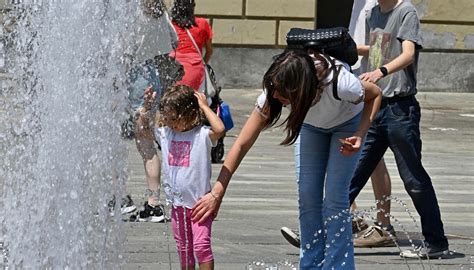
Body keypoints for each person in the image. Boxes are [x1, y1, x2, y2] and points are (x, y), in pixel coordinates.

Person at [192, 49, 382, 269]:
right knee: (308, 197)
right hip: (311, 127)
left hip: (347, 125)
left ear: (300, 90)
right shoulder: (273, 91)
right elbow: (242, 143)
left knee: (335, 198)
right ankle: (311, 264)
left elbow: (375, 94)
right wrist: (218, 191)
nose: (274, 96)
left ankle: (339, 266)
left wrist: (360, 133)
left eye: (281, 93)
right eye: (273, 90)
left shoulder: (341, 83)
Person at [349, 0, 449, 258]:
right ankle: (316, 231)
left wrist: (380, 72)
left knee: (414, 179)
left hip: (401, 110)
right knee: (352, 174)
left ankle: (436, 242)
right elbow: (378, 50)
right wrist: (343, 49)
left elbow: (407, 54)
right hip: (377, 106)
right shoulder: (373, 13)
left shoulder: (406, 12)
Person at [140, 85, 224, 270]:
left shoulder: (201, 135)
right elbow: (142, 130)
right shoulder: (166, 134)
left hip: (200, 205)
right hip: (177, 207)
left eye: (173, 117)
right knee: (184, 249)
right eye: (166, 118)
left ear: (190, 113)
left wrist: (205, 106)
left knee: (201, 247)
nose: (169, 122)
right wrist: (146, 107)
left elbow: (220, 128)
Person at [123, 0, 179, 222]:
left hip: (132, 76)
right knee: (146, 141)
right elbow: (174, 41)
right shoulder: (159, 13)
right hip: (151, 74)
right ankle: (153, 203)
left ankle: (117, 200)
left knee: (113, 139)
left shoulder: (131, 12)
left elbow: (121, 47)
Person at [170, 0, 213, 91]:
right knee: (194, 99)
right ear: (192, 7)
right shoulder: (202, 23)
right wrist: (203, 63)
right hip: (195, 68)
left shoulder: (170, 25)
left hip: (173, 69)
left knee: (172, 99)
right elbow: (209, 50)